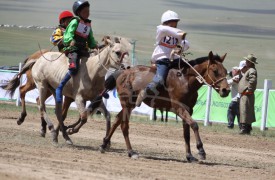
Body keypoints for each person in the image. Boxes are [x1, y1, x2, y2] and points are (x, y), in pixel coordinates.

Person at [136, 10, 190, 107]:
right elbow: (166, 30)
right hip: (162, 59)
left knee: (187, 68)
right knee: (159, 80)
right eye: (172, 22)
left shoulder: (177, 33)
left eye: (176, 22)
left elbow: (186, 44)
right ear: (166, 22)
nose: (175, 24)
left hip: (174, 59)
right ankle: (144, 92)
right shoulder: (161, 30)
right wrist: (180, 34)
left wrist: (180, 48)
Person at [55, 0, 98, 104]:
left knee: (93, 65)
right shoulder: (75, 21)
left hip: (83, 50)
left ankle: (99, 90)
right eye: (85, 11)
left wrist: (94, 45)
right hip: (72, 49)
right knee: (74, 67)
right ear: (78, 12)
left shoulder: (88, 23)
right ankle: (60, 87)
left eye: (88, 11)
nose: (87, 13)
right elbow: (68, 34)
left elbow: (90, 38)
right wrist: (70, 41)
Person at [238, 54, 258, 135]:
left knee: (244, 111)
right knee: (246, 111)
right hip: (246, 94)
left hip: (247, 94)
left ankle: (244, 128)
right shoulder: (250, 70)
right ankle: (247, 128)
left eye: (247, 61)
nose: (245, 62)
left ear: (250, 62)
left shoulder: (252, 71)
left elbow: (252, 81)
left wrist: (249, 90)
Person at [226, 61, 246, 129]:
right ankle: (241, 127)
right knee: (240, 114)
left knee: (231, 111)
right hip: (243, 99)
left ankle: (230, 125)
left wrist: (225, 78)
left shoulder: (236, 77)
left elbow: (227, 83)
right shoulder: (245, 76)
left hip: (235, 99)